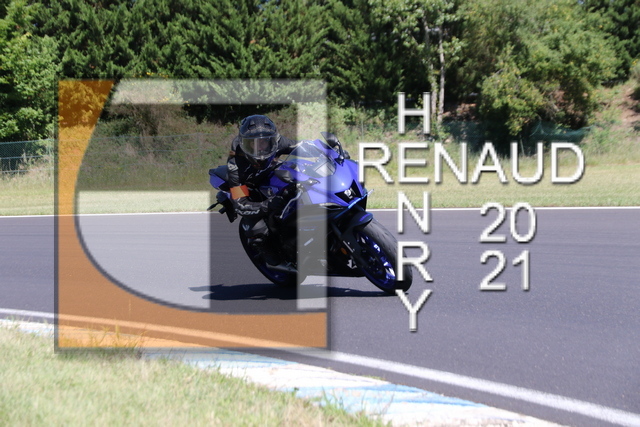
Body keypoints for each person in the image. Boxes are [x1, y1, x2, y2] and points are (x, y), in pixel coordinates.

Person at [227, 114, 298, 266]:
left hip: (272, 175)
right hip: (250, 187)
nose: (259, 148)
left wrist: (328, 150)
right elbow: (240, 204)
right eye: (252, 144)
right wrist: (267, 205)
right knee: (256, 226)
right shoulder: (235, 165)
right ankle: (263, 247)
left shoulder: (278, 141)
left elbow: (303, 146)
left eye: (264, 142)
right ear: (243, 143)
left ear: (273, 140)